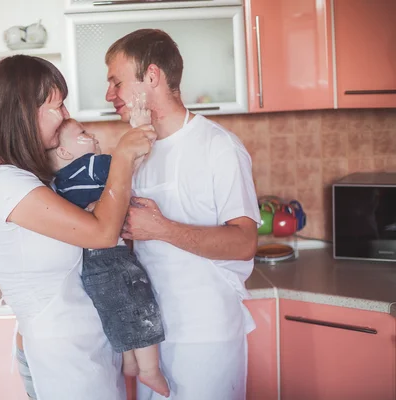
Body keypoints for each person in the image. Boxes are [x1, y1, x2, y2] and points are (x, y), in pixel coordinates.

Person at [0, 54, 156, 400]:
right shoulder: (7, 183)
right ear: (25, 112)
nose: (67, 116)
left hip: (84, 346)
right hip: (62, 359)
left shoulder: (30, 178)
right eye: (58, 106)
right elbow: (101, 233)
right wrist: (122, 158)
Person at [105, 29, 260, 399]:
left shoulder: (218, 147)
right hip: (151, 340)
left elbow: (244, 242)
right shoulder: (135, 149)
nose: (109, 95)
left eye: (116, 82)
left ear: (153, 76)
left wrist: (160, 228)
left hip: (205, 336)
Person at [48, 118, 169, 397]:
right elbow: (124, 169)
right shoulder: (90, 165)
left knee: (116, 309)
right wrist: (138, 146)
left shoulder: (59, 184)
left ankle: (129, 361)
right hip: (111, 256)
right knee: (141, 305)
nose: (91, 135)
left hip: (88, 263)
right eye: (82, 133)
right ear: (65, 152)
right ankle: (150, 371)